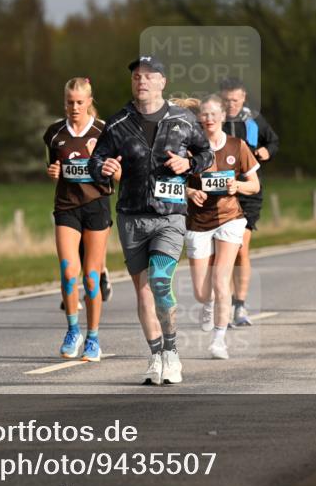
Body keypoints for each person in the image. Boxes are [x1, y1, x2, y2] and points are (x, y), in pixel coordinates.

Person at [88, 56, 213, 385]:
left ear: (162, 82)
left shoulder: (183, 120)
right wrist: (105, 169)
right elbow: (96, 160)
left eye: (148, 76)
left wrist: (189, 166)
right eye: (136, 77)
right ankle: (156, 355)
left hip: (170, 215)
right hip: (131, 216)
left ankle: (172, 352)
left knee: (160, 280)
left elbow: (206, 154)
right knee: (143, 292)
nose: (141, 81)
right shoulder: (118, 123)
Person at [43, 77, 117, 362]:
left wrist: (112, 170)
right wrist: (53, 173)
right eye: (69, 102)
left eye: (79, 102)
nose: (74, 107)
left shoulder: (105, 131)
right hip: (66, 207)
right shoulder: (54, 133)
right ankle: (73, 330)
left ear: (89, 101)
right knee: (67, 270)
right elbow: (55, 166)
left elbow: (121, 173)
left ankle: (93, 337)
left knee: (91, 277)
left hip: (96, 206)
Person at [184, 95, 259, 359]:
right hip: (198, 222)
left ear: (223, 117)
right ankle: (208, 304)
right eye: (204, 114)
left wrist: (237, 185)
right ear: (199, 118)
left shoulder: (237, 146)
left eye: (214, 114)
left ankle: (219, 340)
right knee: (202, 291)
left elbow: (255, 185)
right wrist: (189, 193)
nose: (209, 119)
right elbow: (172, 184)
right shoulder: (190, 150)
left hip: (230, 218)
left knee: (220, 279)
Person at [219, 77, 279, 328]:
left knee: (241, 249)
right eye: (226, 100)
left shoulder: (253, 119)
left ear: (243, 97)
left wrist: (267, 151)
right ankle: (222, 303)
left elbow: (273, 141)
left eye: (235, 100)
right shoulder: (214, 119)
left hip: (248, 191)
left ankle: (239, 305)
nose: (231, 104)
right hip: (220, 192)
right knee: (222, 252)